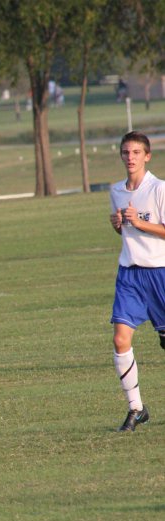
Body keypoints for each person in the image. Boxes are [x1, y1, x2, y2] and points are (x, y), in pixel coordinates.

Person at [108, 130, 165, 432]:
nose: (130, 158)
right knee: (120, 339)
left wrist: (139, 222)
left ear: (147, 156)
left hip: (160, 273)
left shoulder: (159, 189)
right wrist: (118, 225)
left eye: (136, 152)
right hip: (129, 274)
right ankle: (136, 409)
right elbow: (125, 232)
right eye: (125, 152)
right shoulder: (116, 191)